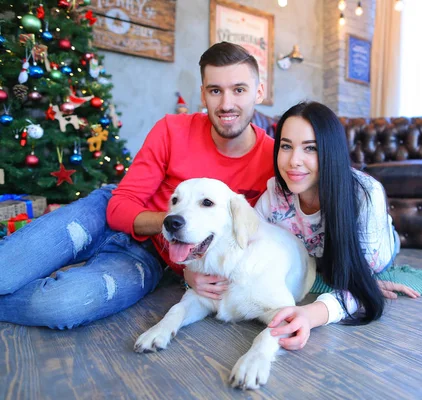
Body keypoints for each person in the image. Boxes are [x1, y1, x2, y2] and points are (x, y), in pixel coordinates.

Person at [0, 42, 274, 329]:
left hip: (152, 258)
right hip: (106, 214)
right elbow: (119, 208)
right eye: (215, 90)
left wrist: (186, 266)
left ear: (259, 92)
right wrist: (177, 224)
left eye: (239, 90)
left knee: (62, 304)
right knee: (6, 270)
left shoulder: (273, 160)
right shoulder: (172, 129)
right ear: (203, 95)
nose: (227, 104)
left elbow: (251, 241)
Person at [253, 101, 420, 351]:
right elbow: (246, 246)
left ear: (330, 152)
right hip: (318, 257)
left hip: (381, 247)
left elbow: (358, 282)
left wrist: (311, 314)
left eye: (311, 148)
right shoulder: (274, 195)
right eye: (286, 146)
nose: (293, 161)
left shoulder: (366, 194)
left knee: (366, 272)